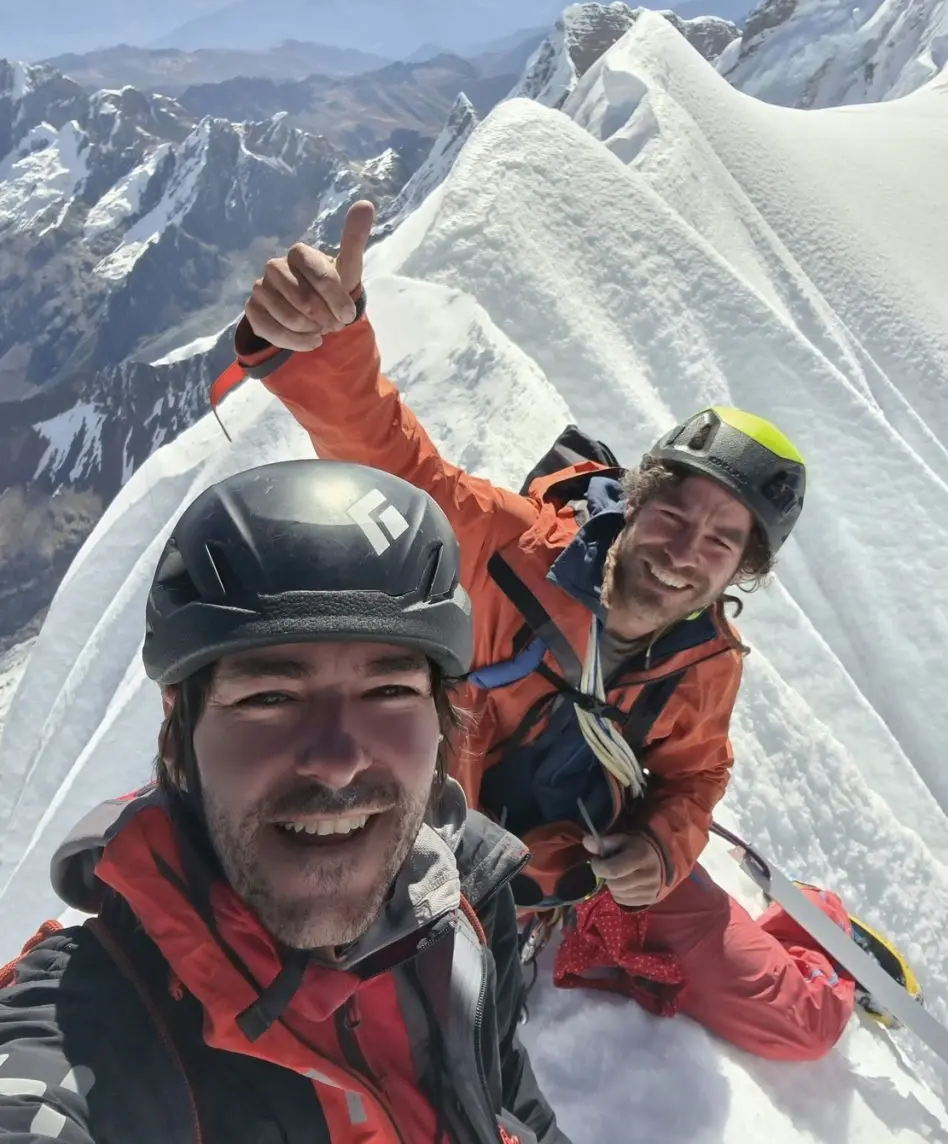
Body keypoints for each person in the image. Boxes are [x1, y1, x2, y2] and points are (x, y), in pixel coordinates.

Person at [214, 200, 901, 1062]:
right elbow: (393, 463)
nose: (684, 551)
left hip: (589, 870)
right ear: (637, 499)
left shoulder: (706, 661)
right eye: (674, 511)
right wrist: (324, 347)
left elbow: (697, 773)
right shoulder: (504, 551)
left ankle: (823, 926)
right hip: (443, 864)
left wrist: (661, 845)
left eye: (721, 541)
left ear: (739, 574)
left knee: (795, 1027)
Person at [0, 459, 568, 1144]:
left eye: (389, 692)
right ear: (180, 733)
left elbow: (509, 1106)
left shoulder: (466, 898)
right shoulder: (94, 1018)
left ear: (442, 721)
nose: (336, 761)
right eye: (269, 697)